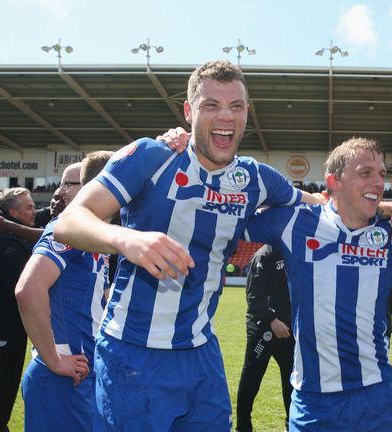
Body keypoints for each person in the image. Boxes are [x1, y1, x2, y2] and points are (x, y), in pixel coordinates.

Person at [54, 60, 329, 431]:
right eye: (211, 105)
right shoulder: (152, 156)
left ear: (248, 111)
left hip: (202, 355)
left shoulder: (255, 178)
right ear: (188, 111)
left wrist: (384, 208)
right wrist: (127, 239)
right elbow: (70, 222)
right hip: (133, 353)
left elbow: (318, 204)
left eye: (236, 105)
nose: (226, 117)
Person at [242, 137, 392, 432]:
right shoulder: (295, 222)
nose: (378, 182)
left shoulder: (391, 232)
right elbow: (225, 217)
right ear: (333, 181)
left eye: (381, 175)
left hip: (375, 395)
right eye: (365, 173)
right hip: (313, 398)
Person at [15, 153, 112, 431]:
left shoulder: (95, 235)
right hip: (62, 379)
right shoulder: (64, 230)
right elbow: (28, 289)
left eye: (67, 184)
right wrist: (54, 359)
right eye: (67, 183)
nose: (59, 191)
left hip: (84, 376)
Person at [0, 187, 36, 430]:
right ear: (13, 211)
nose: (34, 211)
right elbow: (23, 286)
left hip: (8, 328)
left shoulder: (11, 234)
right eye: (28, 207)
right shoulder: (2, 242)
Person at [236, 244, 294, 432]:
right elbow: (254, 297)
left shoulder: (292, 252)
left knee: (292, 379)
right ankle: (243, 427)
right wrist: (272, 320)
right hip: (264, 330)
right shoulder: (262, 256)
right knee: (252, 377)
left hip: (287, 329)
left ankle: (291, 424)